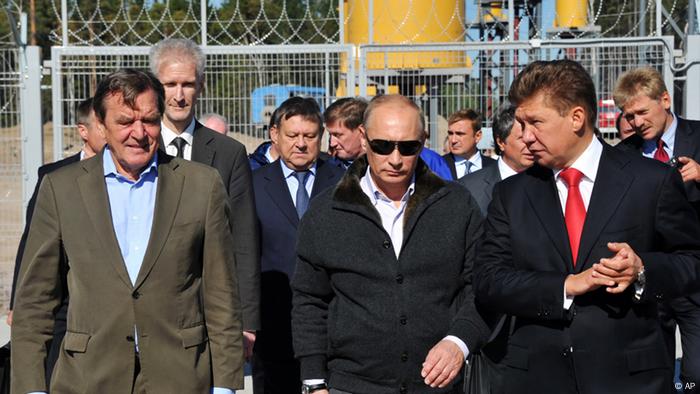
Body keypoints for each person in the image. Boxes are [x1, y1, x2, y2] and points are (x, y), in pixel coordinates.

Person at [11, 69, 244, 393]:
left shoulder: (201, 186)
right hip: (88, 377)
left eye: (149, 121)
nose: (139, 133)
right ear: (102, 125)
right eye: (124, 122)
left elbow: (222, 294)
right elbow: (34, 301)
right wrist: (31, 387)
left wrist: (225, 385)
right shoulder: (61, 189)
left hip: (180, 376)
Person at [474, 59, 700, 394]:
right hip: (537, 378)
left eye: (535, 122)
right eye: (520, 124)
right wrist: (564, 286)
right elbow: (489, 280)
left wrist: (642, 271)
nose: (523, 136)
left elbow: (692, 260)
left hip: (631, 379)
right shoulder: (512, 193)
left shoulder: (650, 180)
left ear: (576, 118)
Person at [291, 94, 492, 394]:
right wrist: (313, 381)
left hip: (437, 385)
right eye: (382, 146)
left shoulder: (456, 205)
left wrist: (459, 341)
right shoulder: (326, 212)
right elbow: (309, 300)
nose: (395, 159)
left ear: (423, 141)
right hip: (352, 384)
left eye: (408, 147)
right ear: (363, 137)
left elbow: (482, 286)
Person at [150, 38, 260, 358]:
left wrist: (247, 322)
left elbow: (244, 239)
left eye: (187, 84)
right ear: (155, 86)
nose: (179, 95)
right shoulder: (135, 148)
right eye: (170, 84)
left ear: (202, 85)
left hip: (209, 311)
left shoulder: (229, 154)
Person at [8, 97, 106, 386]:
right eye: (101, 126)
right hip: (63, 296)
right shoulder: (53, 176)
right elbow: (31, 243)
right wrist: (18, 299)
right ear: (84, 131)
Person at [614, 66, 700, 391]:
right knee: (654, 375)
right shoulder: (623, 155)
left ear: (665, 99)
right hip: (648, 276)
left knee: (696, 373)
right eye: (630, 116)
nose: (637, 122)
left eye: (642, 112)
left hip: (693, 274)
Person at [252, 97, 344, 394]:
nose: (301, 144)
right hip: (273, 325)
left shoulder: (344, 184)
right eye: (292, 135)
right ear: (274, 134)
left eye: (310, 136)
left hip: (332, 326)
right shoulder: (252, 185)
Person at [459, 102, 534, 215]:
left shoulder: (549, 181)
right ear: (501, 142)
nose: (530, 143)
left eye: (533, 137)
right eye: (522, 138)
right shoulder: (470, 188)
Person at [443, 108, 496, 179]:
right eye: (450, 133)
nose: (453, 140)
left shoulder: (494, 167)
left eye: (460, 134)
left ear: (478, 136)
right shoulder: (438, 165)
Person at [324, 97, 367, 169]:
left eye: (337, 135)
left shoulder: (383, 168)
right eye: (330, 135)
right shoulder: (323, 168)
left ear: (362, 132)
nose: (332, 143)